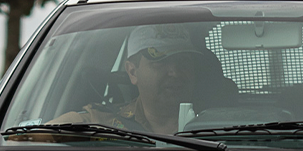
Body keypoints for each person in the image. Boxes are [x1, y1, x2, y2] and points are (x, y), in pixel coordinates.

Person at [48, 24, 203, 134]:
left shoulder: (223, 125)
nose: (175, 72)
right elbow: (38, 138)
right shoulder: (102, 123)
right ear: (133, 71)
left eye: (184, 61)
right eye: (160, 62)